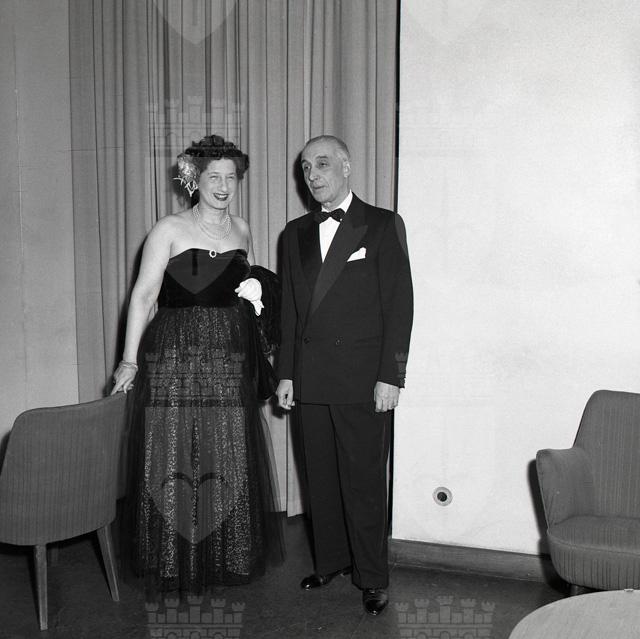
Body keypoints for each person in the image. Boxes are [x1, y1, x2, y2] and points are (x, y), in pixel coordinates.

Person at [112, 134, 283, 596]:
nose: (223, 186)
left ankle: (228, 554)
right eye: (214, 177)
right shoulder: (168, 228)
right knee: (175, 449)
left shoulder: (242, 229)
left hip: (228, 354)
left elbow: (248, 287)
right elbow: (143, 297)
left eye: (231, 178)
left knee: (224, 449)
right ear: (195, 180)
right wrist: (128, 361)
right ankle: (172, 558)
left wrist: (258, 295)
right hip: (175, 352)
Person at [276, 135, 413, 616]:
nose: (313, 175)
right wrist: (286, 373)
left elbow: (400, 306)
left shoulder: (381, 224)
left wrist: (392, 376)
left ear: (347, 167)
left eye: (323, 164)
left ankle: (372, 576)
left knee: (364, 482)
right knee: (320, 479)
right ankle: (331, 561)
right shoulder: (293, 233)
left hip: (362, 380)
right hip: (310, 377)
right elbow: (291, 312)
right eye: (306, 167)